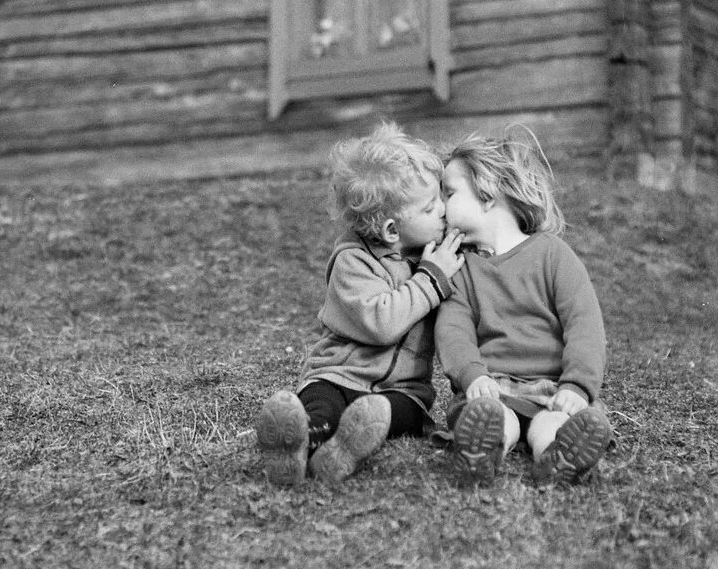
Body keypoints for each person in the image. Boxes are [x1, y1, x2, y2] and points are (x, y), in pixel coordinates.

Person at [255, 122, 465, 485]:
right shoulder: (353, 261)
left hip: (403, 391)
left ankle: (343, 449)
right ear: (391, 232)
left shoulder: (431, 251)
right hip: (340, 374)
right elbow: (382, 323)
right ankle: (302, 444)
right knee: (322, 403)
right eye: (432, 207)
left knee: (392, 412)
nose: (444, 210)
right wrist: (432, 279)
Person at [432, 128, 612, 487]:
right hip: (491, 387)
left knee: (554, 423)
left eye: (449, 193)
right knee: (495, 418)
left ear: (487, 193)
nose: (440, 208)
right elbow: (452, 331)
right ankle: (482, 454)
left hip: (553, 388)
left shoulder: (553, 254)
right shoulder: (461, 268)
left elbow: (584, 324)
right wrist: (473, 376)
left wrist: (577, 386)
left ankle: (559, 459)